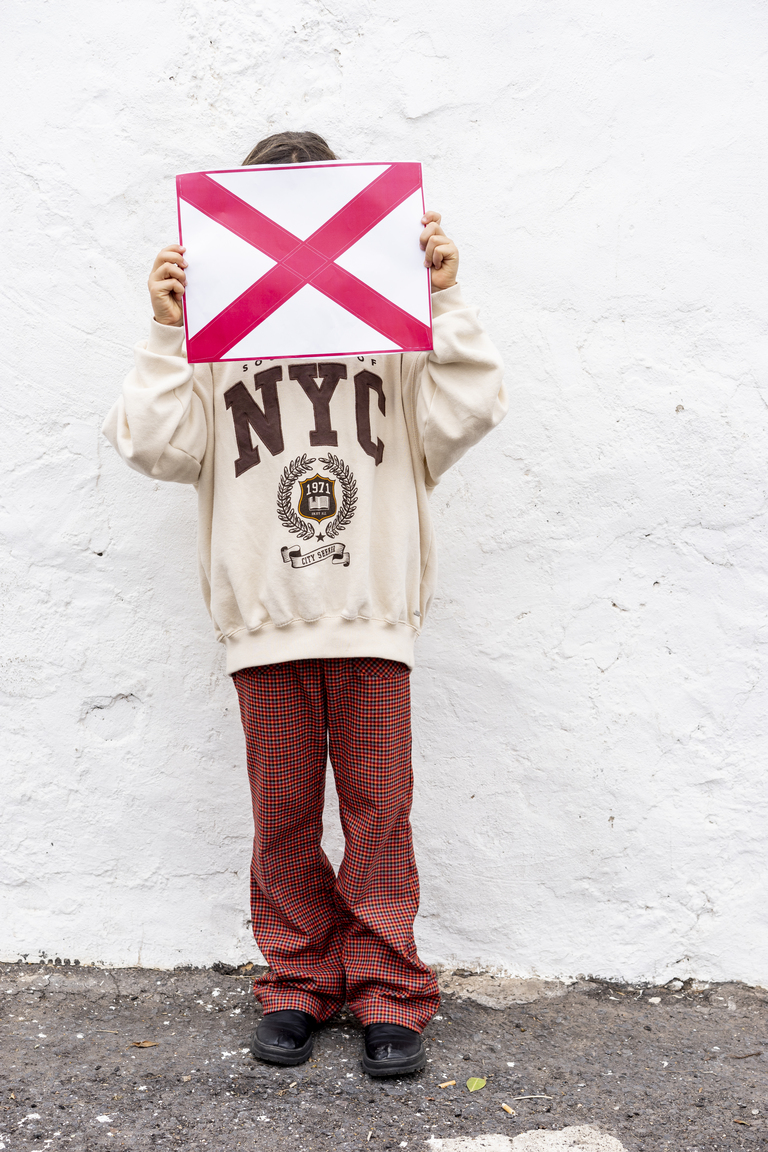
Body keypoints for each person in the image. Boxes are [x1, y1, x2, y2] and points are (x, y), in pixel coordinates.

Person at [103, 130, 506, 1077]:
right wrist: (167, 327)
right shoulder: (213, 346)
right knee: (282, 812)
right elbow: (153, 442)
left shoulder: (391, 335)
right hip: (264, 616)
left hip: (370, 608)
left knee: (378, 812)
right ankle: (297, 981)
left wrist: (440, 294)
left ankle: (386, 989)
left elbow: (469, 407)